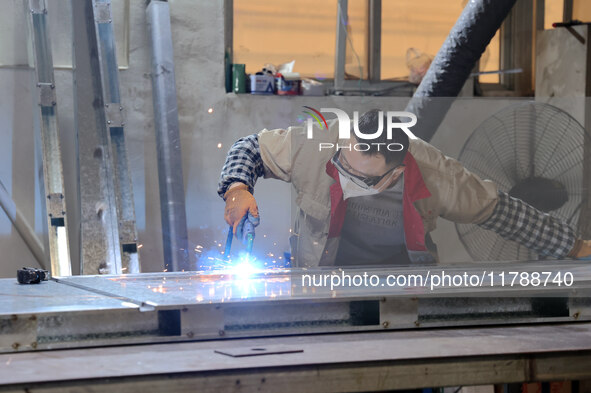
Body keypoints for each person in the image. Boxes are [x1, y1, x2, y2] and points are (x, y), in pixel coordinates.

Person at [218, 109, 591, 267]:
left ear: (394, 174)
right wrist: (237, 188)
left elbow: (503, 212)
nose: (344, 178)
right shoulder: (317, 143)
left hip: (399, 286)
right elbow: (248, 147)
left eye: (360, 178)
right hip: (319, 281)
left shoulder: (435, 173)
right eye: (343, 165)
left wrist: (576, 248)